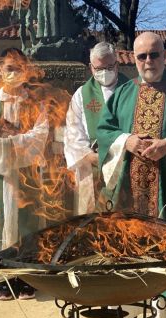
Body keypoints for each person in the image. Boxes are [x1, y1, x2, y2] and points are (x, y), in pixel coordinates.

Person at [97, 32, 166, 318]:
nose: (148, 62)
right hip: (130, 189)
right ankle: (126, 310)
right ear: (133, 58)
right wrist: (125, 140)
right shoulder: (123, 92)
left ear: (165, 56)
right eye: (141, 56)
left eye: (154, 55)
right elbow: (104, 129)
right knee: (127, 243)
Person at [0, 48, 49, 301]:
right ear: (0, 71)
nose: (14, 73)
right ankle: (4, 280)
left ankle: (27, 279)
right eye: (9, 68)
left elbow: (40, 135)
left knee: (27, 226)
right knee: (0, 225)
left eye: (18, 68)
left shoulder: (34, 104)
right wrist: (10, 145)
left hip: (26, 175)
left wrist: (12, 142)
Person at [64, 42, 128, 215]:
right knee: (92, 222)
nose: (104, 72)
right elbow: (73, 131)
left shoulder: (132, 89)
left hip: (124, 164)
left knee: (123, 221)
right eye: (99, 69)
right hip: (90, 165)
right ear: (91, 68)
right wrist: (89, 156)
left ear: (117, 64)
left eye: (109, 67)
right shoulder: (81, 94)